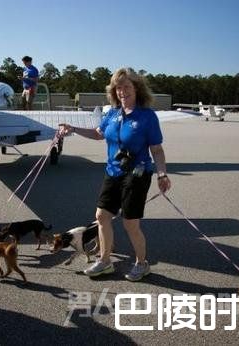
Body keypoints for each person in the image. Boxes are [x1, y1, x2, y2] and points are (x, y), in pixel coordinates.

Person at [58, 67, 171, 281]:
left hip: (137, 174)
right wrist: (73, 129)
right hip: (113, 171)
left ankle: (142, 263)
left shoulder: (147, 116)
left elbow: (156, 149)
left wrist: (162, 174)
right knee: (101, 216)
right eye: (118, 88)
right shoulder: (112, 113)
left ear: (137, 88)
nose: (122, 91)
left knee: (130, 223)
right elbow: (98, 134)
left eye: (127, 86)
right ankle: (105, 261)